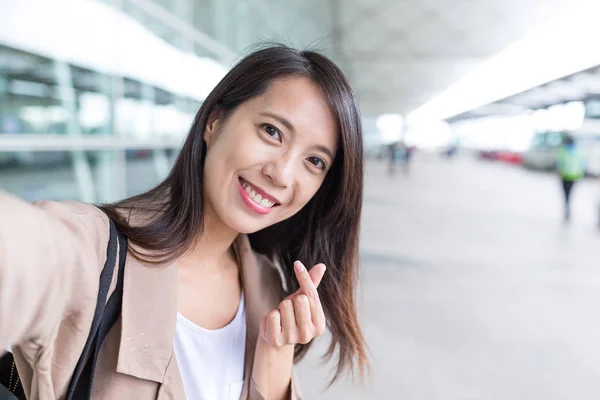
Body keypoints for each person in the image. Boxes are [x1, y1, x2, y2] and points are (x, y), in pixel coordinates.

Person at [0, 45, 368, 399]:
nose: (282, 174)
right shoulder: (96, 248)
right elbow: (24, 252)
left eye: (314, 161)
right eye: (271, 131)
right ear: (214, 121)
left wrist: (274, 359)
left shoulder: (269, 289)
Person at [556, 134, 585, 222]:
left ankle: (567, 209)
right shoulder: (577, 151)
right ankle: (567, 209)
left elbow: (559, 163)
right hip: (569, 176)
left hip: (569, 176)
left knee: (567, 195)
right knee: (567, 195)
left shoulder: (564, 151)